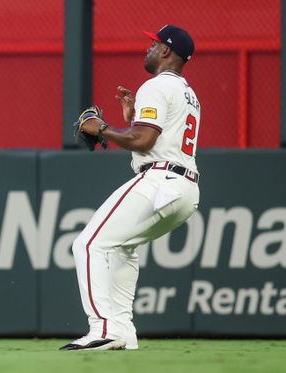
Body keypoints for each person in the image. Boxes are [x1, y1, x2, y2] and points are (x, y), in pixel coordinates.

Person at [62, 24, 201, 351]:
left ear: (167, 51)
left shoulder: (156, 86)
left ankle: (102, 327)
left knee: (88, 244)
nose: (149, 49)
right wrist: (132, 118)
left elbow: (144, 139)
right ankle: (123, 330)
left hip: (160, 180)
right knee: (123, 248)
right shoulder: (189, 94)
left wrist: (105, 128)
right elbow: (149, 138)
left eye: (154, 44)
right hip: (185, 189)